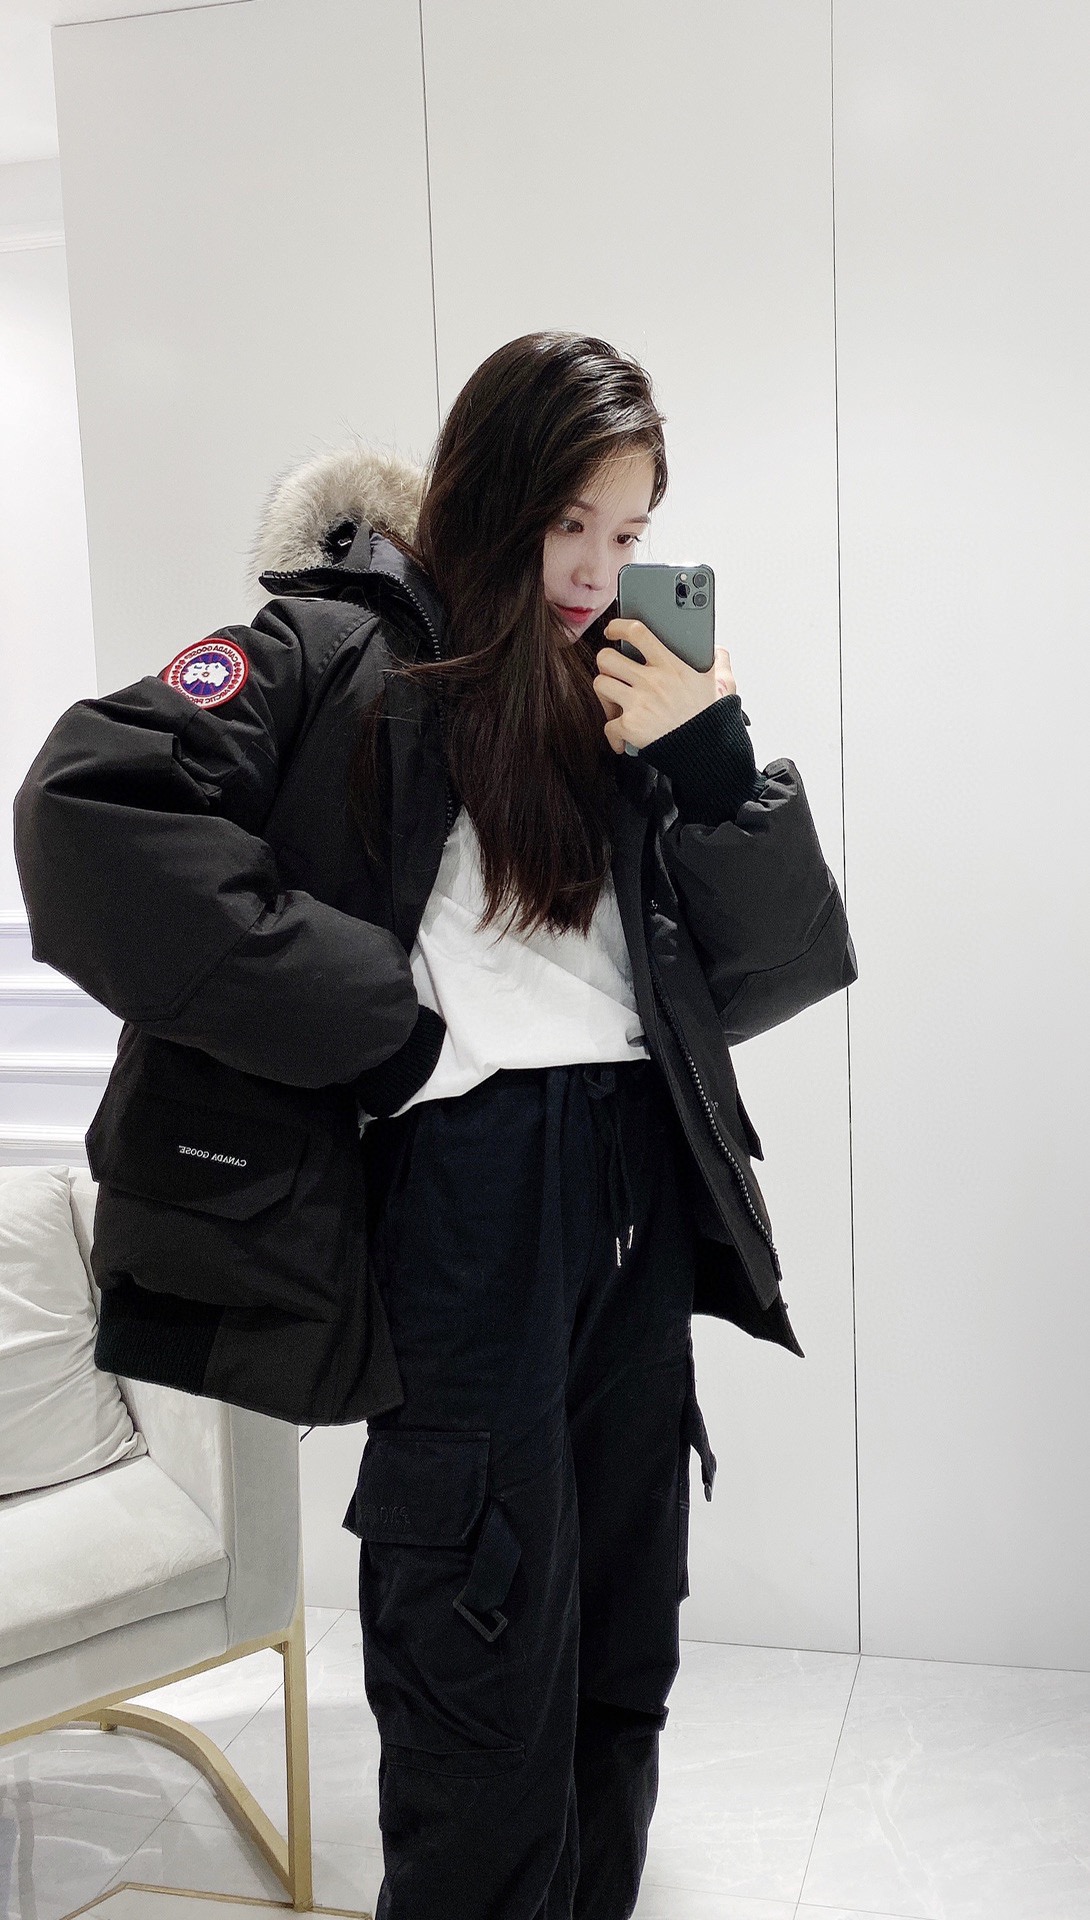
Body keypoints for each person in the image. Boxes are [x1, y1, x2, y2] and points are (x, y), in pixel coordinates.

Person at [14, 330, 856, 1919]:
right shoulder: (339, 649)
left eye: (628, 530)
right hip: (468, 1193)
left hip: (637, 1174)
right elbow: (88, 814)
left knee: (619, 1632)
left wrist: (713, 768)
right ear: (486, 496)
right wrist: (380, 1023)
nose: (596, 568)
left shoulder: (622, 689)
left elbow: (765, 976)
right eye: (566, 524)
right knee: (477, 1626)